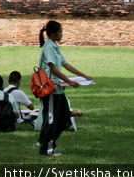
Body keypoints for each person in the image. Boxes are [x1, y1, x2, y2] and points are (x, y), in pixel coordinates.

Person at [38, 20, 93, 157]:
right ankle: (47, 148)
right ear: (53, 34)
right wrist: (69, 81)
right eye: (60, 32)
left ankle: (44, 141)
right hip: (49, 88)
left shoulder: (55, 47)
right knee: (51, 119)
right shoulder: (48, 47)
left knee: (64, 118)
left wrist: (84, 76)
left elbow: (66, 65)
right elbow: (53, 69)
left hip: (58, 88)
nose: (61, 35)